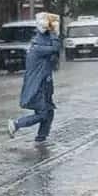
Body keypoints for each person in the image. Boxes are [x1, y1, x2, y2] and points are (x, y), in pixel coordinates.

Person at [7, 12, 61, 144]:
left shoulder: (40, 45)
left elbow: (55, 54)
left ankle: (41, 137)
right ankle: (16, 124)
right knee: (43, 113)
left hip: (45, 84)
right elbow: (55, 48)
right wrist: (53, 33)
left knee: (49, 111)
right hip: (38, 86)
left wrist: (51, 30)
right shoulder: (38, 48)